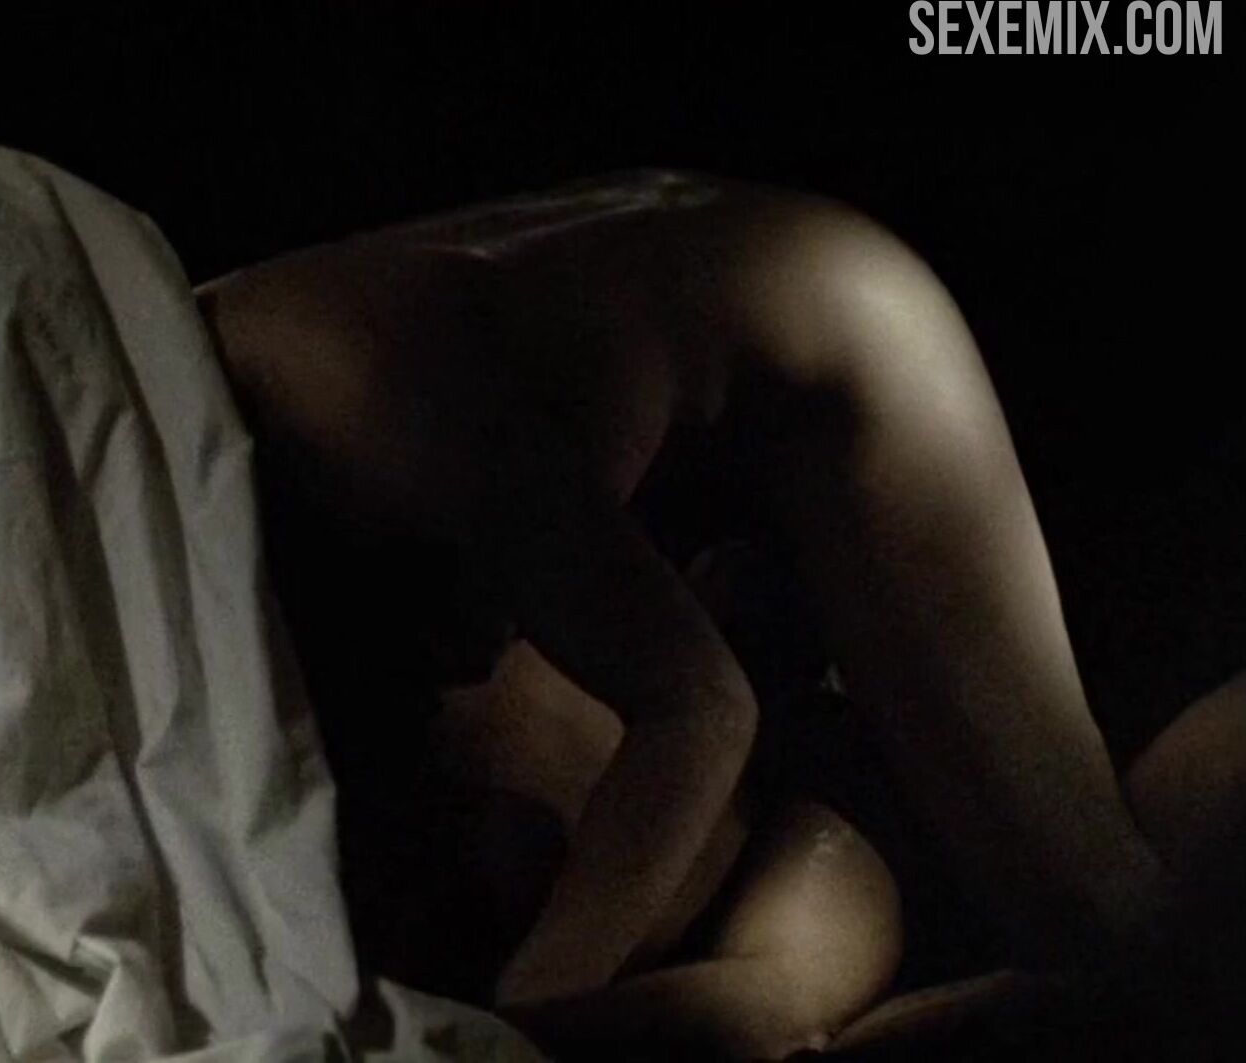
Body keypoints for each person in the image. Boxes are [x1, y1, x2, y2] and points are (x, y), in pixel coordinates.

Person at [193, 170, 1245, 1057]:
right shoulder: (233, 395)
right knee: (1096, 930)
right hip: (734, 368)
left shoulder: (362, 395)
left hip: (842, 326)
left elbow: (700, 706)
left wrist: (522, 1018)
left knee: (1103, 924)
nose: (467, 650)